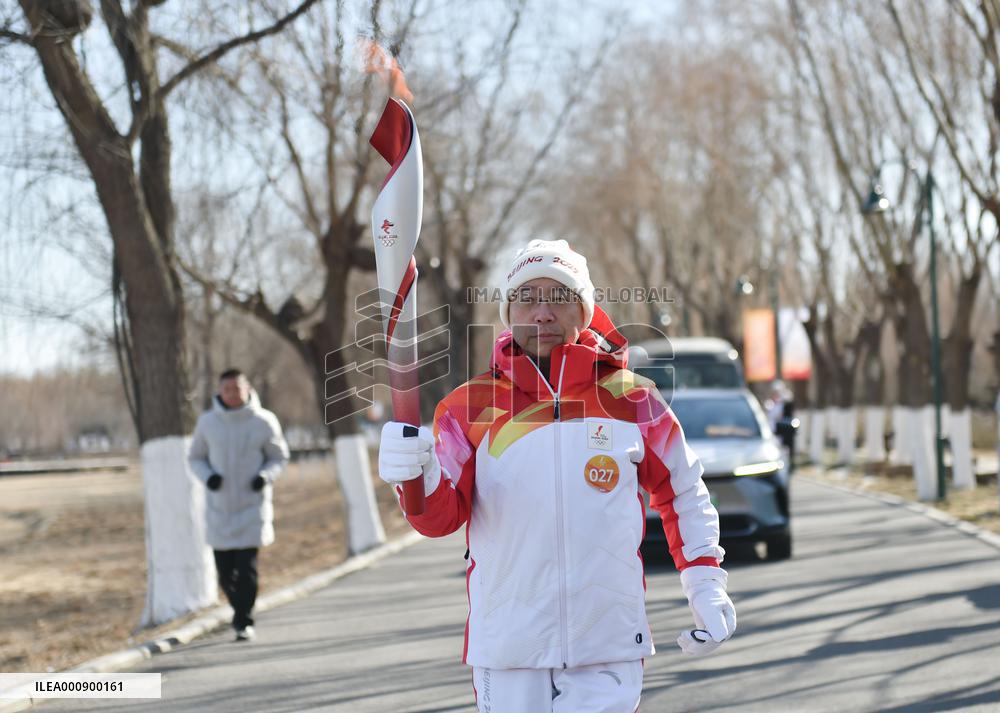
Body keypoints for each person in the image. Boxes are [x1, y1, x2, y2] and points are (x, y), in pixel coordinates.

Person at [378, 240, 736, 712]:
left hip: (606, 639)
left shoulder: (633, 401)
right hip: (508, 645)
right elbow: (439, 518)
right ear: (509, 311)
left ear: (584, 311)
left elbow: (684, 492)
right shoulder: (468, 407)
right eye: (526, 297)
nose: (542, 313)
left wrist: (705, 582)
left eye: (559, 297)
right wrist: (415, 476)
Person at [189, 369, 289, 641]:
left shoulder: (264, 421)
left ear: (247, 389)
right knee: (225, 575)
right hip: (219, 508)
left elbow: (278, 456)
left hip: (251, 506)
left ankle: (243, 619)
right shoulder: (208, 423)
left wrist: (263, 477)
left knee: (247, 570)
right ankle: (239, 609)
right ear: (220, 391)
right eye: (227, 389)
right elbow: (196, 457)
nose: (232, 393)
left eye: (237, 388)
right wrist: (208, 477)